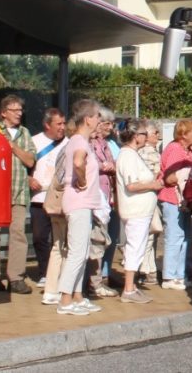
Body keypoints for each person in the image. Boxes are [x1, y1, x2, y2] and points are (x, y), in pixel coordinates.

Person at [0, 95, 37, 294]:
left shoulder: (24, 133)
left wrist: (13, 146)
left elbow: (30, 160)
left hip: (19, 190)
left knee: (18, 234)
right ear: (3, 112)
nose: (19, 114)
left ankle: (15, 277)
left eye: (20, 110)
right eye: (14, 110)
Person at [56, 99, 105, 316]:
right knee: (77, 252)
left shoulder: (80, 140)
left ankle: (77, 296)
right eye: (97, 116)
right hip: (78, 202)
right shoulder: (79, 141)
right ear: (88, 119)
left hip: (82, 203)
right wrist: (82, 180)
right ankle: (65, 300)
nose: (99, 120)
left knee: (82, 251)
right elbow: (78, 163)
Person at [114, 126, 163, 304]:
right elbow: (131, 185)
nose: (146, 136)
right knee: (135, 247)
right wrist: (154, 185)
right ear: (135, 136)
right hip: (135, 210)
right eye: (143, 133)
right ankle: (128, 289)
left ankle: (131, 286)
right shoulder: (127, 155)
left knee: (138, 247)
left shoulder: (133, 154)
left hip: (141, 210)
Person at [29, 107, 67, 289]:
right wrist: (29, 179)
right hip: (39, 197)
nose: (62, 127)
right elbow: (25, 166)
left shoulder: (68, 143)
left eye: (64, 123)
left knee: (59, 238)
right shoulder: (34, 141)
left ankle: (58, 273)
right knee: (39, 237)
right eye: (58, 124)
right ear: (47, 125)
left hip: (61, 198)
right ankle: (44, 271)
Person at [158, 119, 192, 290]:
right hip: (172, 199)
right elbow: (170, 176)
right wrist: (188, 176)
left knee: (185, 237)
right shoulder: (174, 149)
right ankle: (169, 277)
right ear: (184, 134)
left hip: (183, 201)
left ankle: (180, 276)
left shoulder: (188, 150)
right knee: (174, 237)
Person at [87, 113, 118, 298]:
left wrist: (110, 165)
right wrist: (103, 165)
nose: (108, 127)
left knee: (102, 240)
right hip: (93, 197)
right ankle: (93, 283)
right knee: (94, 241)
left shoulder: (104, 143)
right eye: (104, 123)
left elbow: (112, 162)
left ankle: (97, 280)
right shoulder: (87, 142)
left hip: (106, 198)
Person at [137, 120, 163, 285]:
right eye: (155, 133)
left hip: (147, 197)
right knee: (148, 235)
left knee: (148, 235)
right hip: (149, 197)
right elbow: (153, 175)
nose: (158, 136)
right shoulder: (148, 152)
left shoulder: (143, 151)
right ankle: (146, 271)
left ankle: (147, 270)